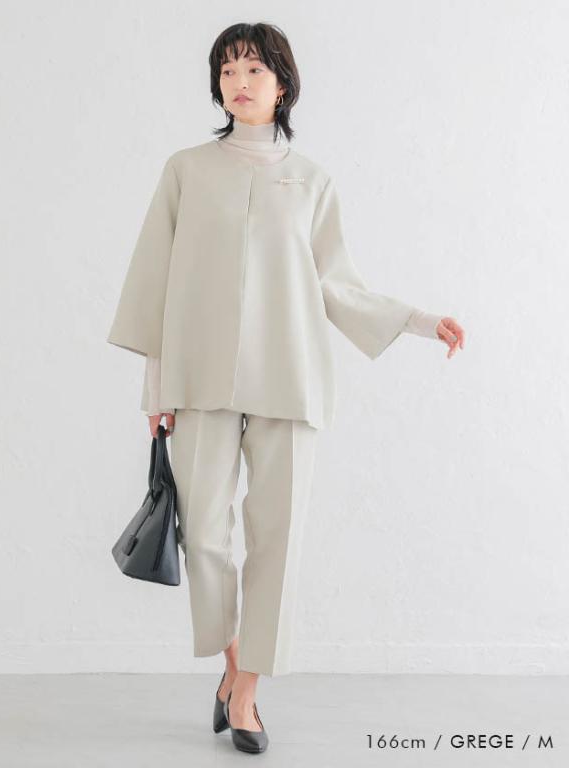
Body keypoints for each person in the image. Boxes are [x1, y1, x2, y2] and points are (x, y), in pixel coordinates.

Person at [107, 22, 465, 755]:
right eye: (227, 70)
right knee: (205, 536)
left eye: (255, 69)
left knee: (278, 539)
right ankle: (232, 658)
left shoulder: (313, 182)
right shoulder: (185, 171)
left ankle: (246, 691)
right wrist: (155, 389)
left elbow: (338, 285)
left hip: (289, 378)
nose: (239, 82)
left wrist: (420, 322)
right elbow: (154, 284)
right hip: (199, 379)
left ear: (283, 84)